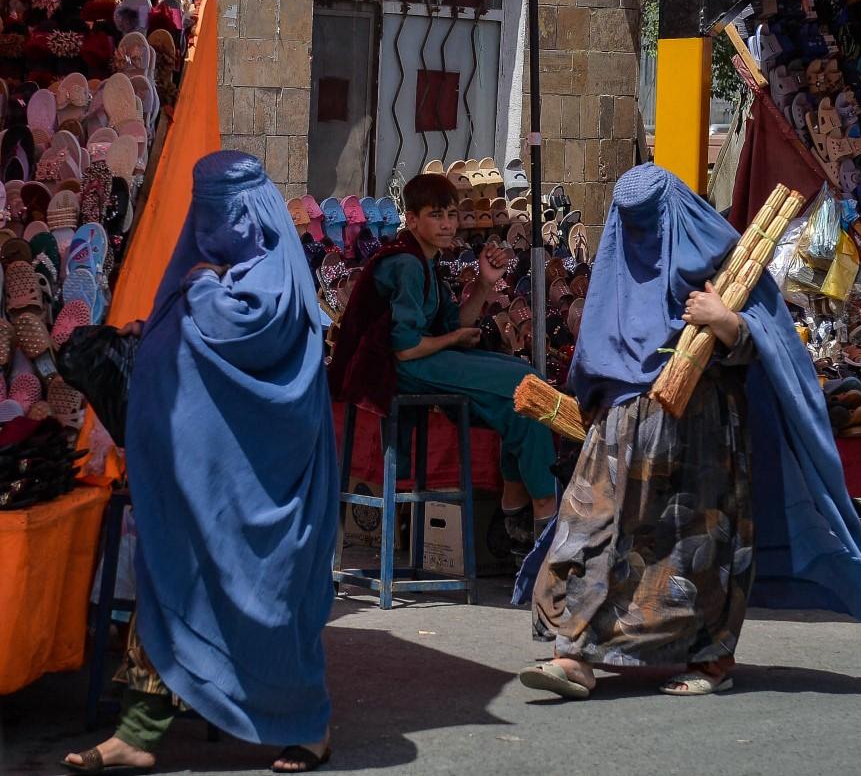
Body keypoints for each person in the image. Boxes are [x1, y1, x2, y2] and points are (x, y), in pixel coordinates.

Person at [515, 163, 861, 699]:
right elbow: (595, 351)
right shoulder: (618, 267)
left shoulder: (724, 259)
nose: (642, 238)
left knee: (693, 552)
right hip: (618, 435)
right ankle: (574, 654)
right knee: (589, 534)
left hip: (702, 437)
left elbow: (773, 344)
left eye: (650, 222)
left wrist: (724, 320)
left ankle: (710, 660)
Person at [65, 152, 336, 773]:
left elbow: (249, 332)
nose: (211, 223)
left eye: (222, 210)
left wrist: (204, 288)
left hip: (264, 484)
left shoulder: (270, 278)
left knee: (270, 604)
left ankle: (308, 726)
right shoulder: (200, 272)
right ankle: (137, 732)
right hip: (192, 481)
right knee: (168, 588)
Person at [330, 174, 556, 546]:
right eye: (437, 215)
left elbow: (457, 322)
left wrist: (484, 283)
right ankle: (541, 507)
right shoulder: (405, 263)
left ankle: (517, 505)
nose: (448, 224)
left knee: (525, 384)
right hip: (396, 369)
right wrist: (453, 338)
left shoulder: (426, 261)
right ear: (412, 219)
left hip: (419, 361)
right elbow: (407, 347)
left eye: (451, 214)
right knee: (522, 386)